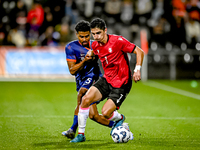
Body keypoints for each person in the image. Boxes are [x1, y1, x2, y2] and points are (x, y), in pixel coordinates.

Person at [70, 18, 144, 143]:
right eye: (93, 34)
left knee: (105, 113)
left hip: (122, 82)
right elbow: (96, 51)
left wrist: (137, 69)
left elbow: (139, 51)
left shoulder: (118, 41)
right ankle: (81, 134)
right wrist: (91, 54)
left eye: (98, 33)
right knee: (85, 99)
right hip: (107, 79)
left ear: (105, 30)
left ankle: (120, 118)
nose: (96, 36)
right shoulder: (94, 45)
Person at [62, 20, 116, 139]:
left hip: (94, 78)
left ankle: (74, 130)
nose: (85, 39)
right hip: (80, 79)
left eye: (87, 36)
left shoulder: (96, 44)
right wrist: (85, 60)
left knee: (81, 94)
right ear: (77, 35)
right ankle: (117, 125)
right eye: (82, 36)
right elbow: (72, 71)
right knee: (93, 115)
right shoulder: (71, 47)